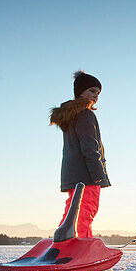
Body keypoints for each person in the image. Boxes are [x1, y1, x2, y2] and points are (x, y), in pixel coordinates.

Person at [49, 71, 110, 238]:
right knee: (86, 211)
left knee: (72, 212)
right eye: (92, 91)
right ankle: (80, 245)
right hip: (87, 175)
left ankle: (63, 243)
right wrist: (98, 175)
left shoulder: (71, 116)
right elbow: (90, 146)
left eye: (98, 92)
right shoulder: (85, 114)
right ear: (80, 92)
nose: (96, 95)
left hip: (73, 176)